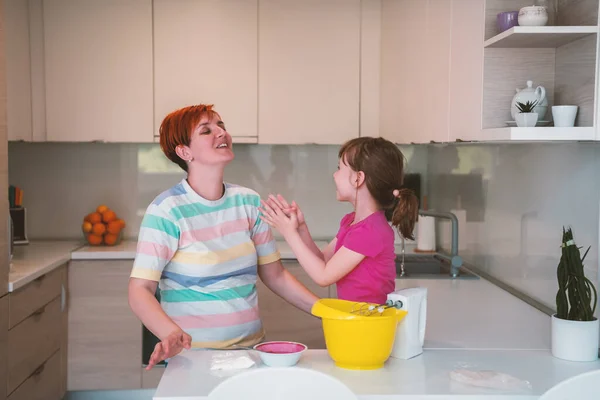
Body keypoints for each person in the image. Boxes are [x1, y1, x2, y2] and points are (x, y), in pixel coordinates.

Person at [128, 104, 318, 369]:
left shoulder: (248, 202)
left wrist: (327, 311)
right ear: (184, 152)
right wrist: (169, 332)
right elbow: (140, 290)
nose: (221, 133)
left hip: (251, 353)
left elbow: (275, 275)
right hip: (193, 358)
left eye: (222, 126)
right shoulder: (166, 211)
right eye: (206, 130)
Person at [259, 137, 419, 305]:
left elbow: (323, 276)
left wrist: (288, 233)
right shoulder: (352, 222)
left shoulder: (370, 231)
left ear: (358, 178)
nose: (334, 175)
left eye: (339, 168)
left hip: (368, 325)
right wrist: (301, 229)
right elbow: (324, 261)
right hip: (355, 321)